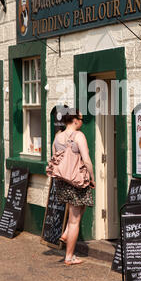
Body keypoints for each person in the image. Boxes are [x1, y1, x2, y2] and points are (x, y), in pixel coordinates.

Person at [51, 108, 95, 266]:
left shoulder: (57, 136)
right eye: (81, 119)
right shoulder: (79, 136)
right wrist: (92, 177)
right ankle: (69, 256)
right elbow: (87, 159)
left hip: (62, 181)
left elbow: (54, 157)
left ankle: (66, 233)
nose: (82, 122)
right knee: (75, 219)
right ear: (75, 120)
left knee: (79, 207)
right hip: (76, 180)